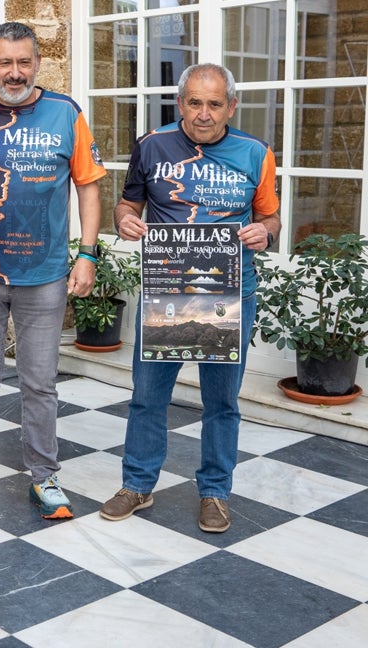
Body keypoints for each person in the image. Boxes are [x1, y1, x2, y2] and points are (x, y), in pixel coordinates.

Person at [0, 21, 106, 520]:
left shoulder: (65, 113)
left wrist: (88, 254)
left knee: (40, 383)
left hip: (45, 273)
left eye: (24, 62)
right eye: (4, 62)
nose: (15, 72)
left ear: (37, 62)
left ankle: (45, 477)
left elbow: (88, 187)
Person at [100, 63, 279, 533]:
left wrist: (266, 231)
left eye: (214, 104)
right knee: (147, 395)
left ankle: (215, 493)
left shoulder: (255, 153)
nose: (203, 114)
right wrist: (124, 220)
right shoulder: (151, 145)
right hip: (167, 292)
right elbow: (127, 204)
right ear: (180, 103)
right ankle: (137, 484)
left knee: (222, 402)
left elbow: (272, 218)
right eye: (194, 102)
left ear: (231, 107)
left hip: (230, 294)